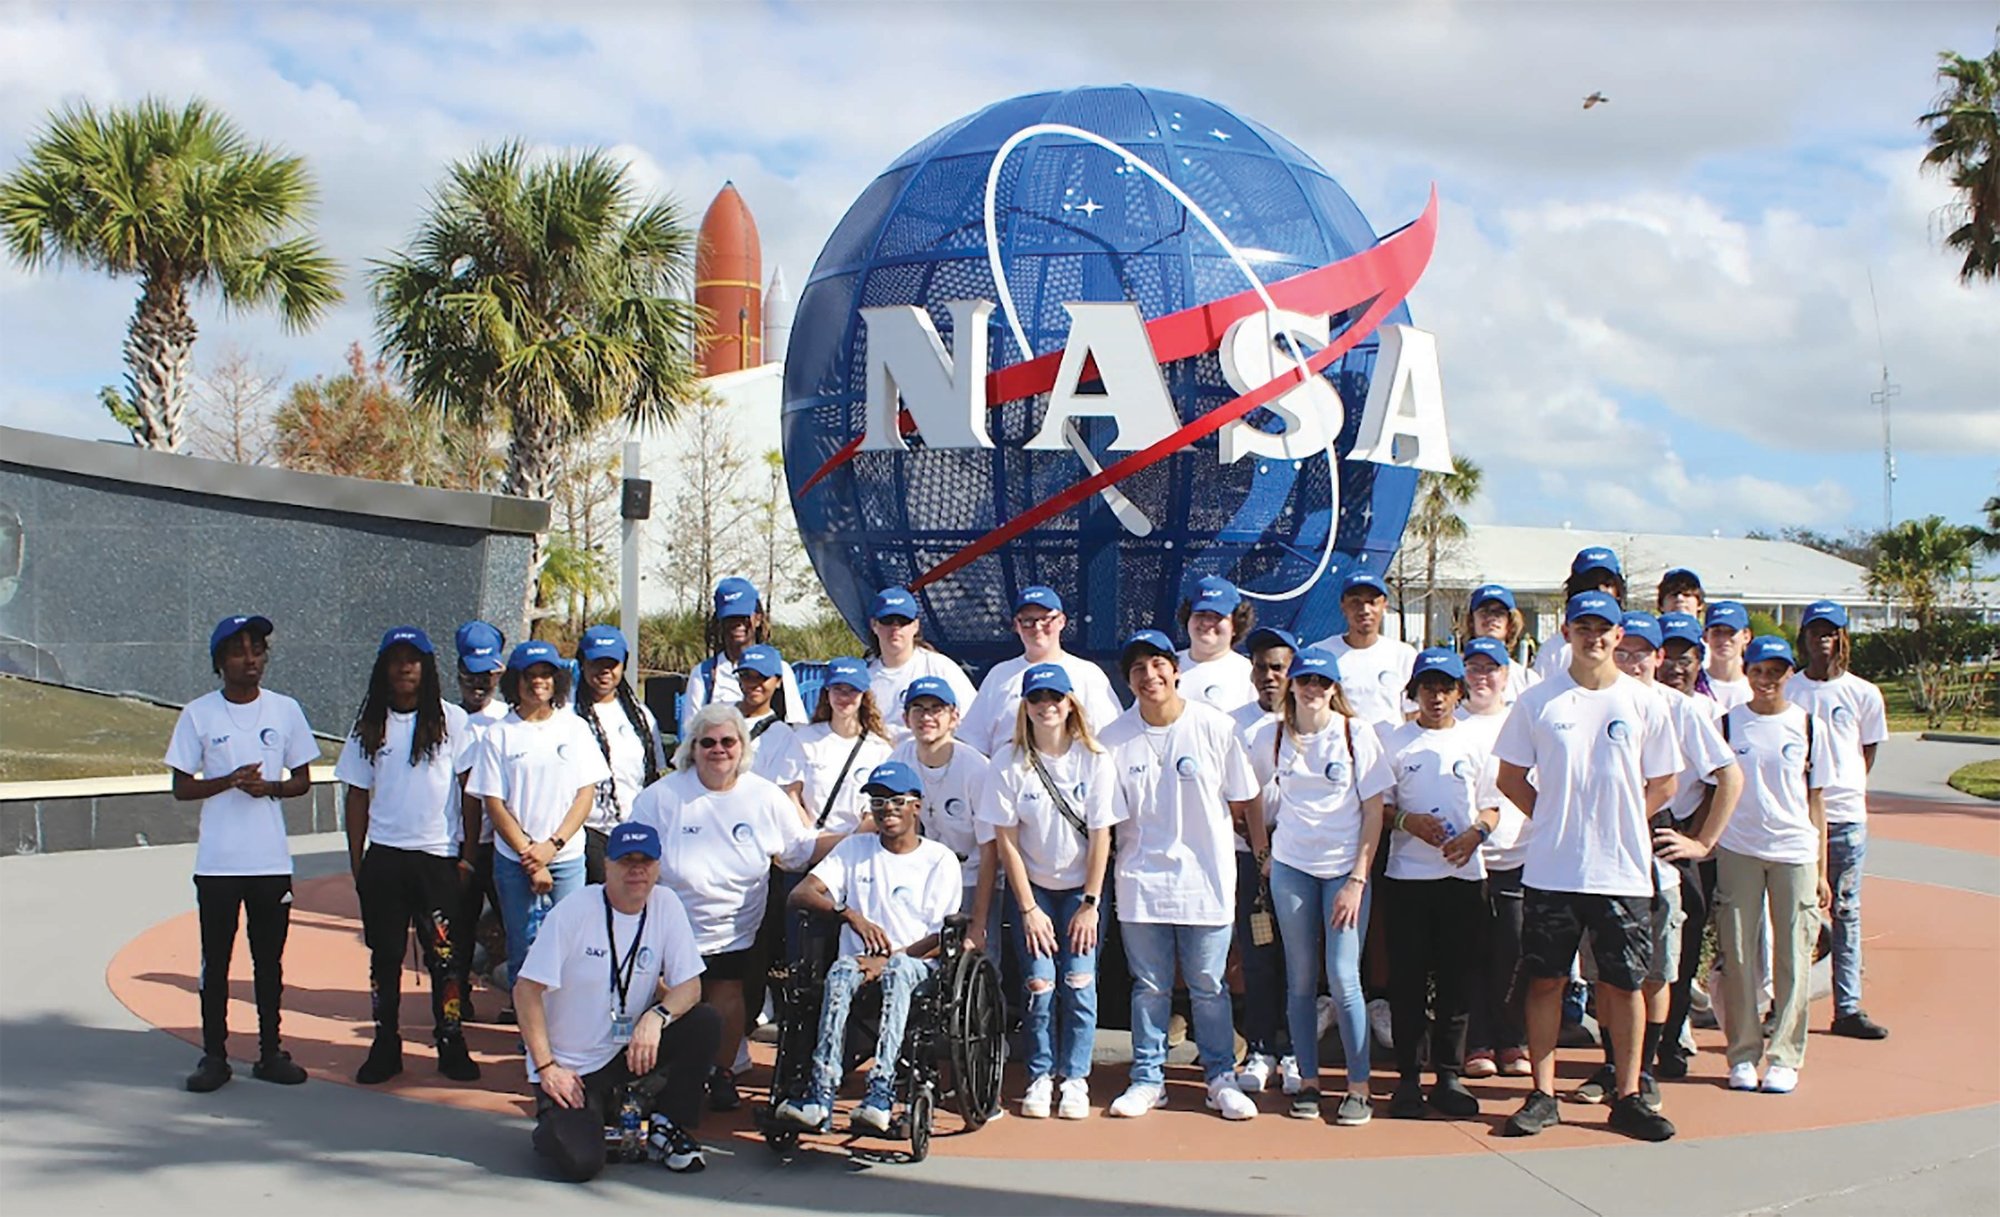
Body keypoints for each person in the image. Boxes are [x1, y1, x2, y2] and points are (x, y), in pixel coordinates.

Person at [1493, 591, 1680, 1142]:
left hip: (1622, 870)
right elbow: (1510, 778)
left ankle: (1628, 1095)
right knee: (1546, 981)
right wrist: (1552, 817)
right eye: (1583, 626)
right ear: (1567, 632)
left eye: (1604, 628)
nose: (1593, 637)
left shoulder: (1646, 702)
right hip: (1553, 870)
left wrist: (1622, 819)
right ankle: (1543, 1093)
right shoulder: (1539, 701)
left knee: (1623, 985)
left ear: (1619, 636)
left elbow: (1665, 780)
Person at [631, 703, 838, 1113]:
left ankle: (722, 1073)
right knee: (670, 1000)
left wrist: (859, 836)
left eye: (728, 741)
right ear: (692, 747)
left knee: (727, 997)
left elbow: (798, 851)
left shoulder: (763, 796)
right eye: (708, 742)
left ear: (742, 747)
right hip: (672, 925)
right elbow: (635, 858)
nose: (718, 750)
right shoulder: (662, 797)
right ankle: (667, 1071)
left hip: (736, 928)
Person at [1575, 611, 1739, 1111]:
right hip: (1601, 850)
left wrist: (1702, 842)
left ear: (1658, 656)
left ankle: (1643, 1068)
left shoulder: (1681, 709)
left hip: (1659, 841)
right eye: (1625, 652)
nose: (1632, 661)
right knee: (1607, 969)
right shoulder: (1597, 701)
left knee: (1656, 969)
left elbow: (1729, 776)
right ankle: (1611, 1065)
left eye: (1643, 653)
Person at [1101, 630, 1263, 1121]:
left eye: (1157, 665)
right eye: (1137, 670)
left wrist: (1260, 853)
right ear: (1128, 680)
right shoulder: (1112, 739)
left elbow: (1246, 795)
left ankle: (1219, 1077)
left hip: (1207, 880)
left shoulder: (1215, 727)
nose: (1149, 677)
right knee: (1148, 986)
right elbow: (1107, 822)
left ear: (1175, 669)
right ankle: (1149, 1078)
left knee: (1208, 984)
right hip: (1140, 884)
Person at [516, 821, 721, 1181]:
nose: (637, 870)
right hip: (571, 1069)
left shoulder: (666, 905)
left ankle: (666, 1126)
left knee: (704, 1022)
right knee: (581, 1164)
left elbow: (690, 986)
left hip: (623, 1052)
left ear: (658, 866)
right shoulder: (575, 911)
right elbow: (526, 990)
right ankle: (554, 1122)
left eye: (646, 861)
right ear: (607, 865)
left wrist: (656, 1017)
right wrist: (547, 1068)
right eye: (627, 861)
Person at [168, 614, 319, 1093]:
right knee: (217, 961)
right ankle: (214, 1056)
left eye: (258, 651)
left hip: (270, 862)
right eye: (239, 652)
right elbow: (181, 787)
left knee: (268, 963)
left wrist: (267, 787)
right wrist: (229, 781)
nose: (250, 660)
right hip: (217, 864)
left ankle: (271, 1052)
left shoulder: (285, 710)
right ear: (220, 662)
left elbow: (301, 781)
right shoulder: (199, 714)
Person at [774, 762, 964, 1133]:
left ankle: (880, 1092)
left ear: (916, 806)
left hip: (917, 964)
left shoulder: (939, 859)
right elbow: (801, 893)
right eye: (878, 802)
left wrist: (889, 959)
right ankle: (820, 1093)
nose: (886, 809)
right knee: (842, 969)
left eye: (896, 801)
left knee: (896, 972)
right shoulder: (854, 849)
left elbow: (943, 936)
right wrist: (850, 915)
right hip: (859, 963)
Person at [1245, 645, 1391, 1125]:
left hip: (1344, 871)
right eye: (1305, 681)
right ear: (1292, 685)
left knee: (1345, 976)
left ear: (1335, 690)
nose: (1312, 690)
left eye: (1322, 683)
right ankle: (1309, 1080)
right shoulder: (1272, 738)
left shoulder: (1355, 734)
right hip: (1292, 867)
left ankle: (1358, 1085)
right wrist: (1264, 853)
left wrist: (1357, 879)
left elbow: (1374, 813)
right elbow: (1248, 799)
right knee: (1300, 978)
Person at [337, 626, 482, 1085]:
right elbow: (356, 795)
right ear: (384, 667)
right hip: (385, 858)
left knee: (446, 956)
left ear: (427, 667)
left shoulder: (452, 720)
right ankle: (386, 1043)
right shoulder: (369, 725)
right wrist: (359, 862)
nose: (405, 667)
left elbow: (470, 792)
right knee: (385, 957)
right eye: (396, 659)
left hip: (438, 858)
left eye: (414, 659)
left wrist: (468, 856)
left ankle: (451, 1039)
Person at [980, 664, 1115, 1120]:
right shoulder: (1008, 762)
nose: (1046, 707)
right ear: (1025, 706)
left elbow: (1101, 837)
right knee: (1039, 984)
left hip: (1082, 893)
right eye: (1037, 699)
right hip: (1034, 891)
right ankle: (1040, 1075)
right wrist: (1029, 908)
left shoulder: (1094, 758)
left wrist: (1092, 904)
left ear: (1070, 702)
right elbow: (1007, 843)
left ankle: (1074, 1077)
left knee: (1079, 982)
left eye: (1055, 698)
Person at [1379, 648, 1498, 1120]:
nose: (1437, 696)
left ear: (1459, 693)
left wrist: (1476, 835)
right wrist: (1410, 822)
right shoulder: (1393, 741)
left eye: (1446, 688)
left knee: (1457, 980)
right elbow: (1378, 808)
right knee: (1407, 982)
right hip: (1408, 878)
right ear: (1414, 691)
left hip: (1464, 877)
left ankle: (1449, 1074)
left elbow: (1492, 805)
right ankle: (1408, 1079)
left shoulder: (1477, 739)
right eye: (1428, 687)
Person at [1714, 636, 1832, 1094]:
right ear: (1747, 672)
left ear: (1789, 674)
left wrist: (1821, 870)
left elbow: (1815, 801)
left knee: (1793, 955)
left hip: (1794, 851)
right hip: (1739, 848)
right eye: (1759, 671)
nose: (1766, 680)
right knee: (1740, 953)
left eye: (1776, 671)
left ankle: (1785, 1054)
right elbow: (1714, 790)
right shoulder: (1728, 724)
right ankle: (1742, 1052)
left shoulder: (1806, 726)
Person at [465, 641, 610, 996]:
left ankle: (567, 1030)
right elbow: (495, 803)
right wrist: (531, 855)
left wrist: (553, 846)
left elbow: (585, 794)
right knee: (525, 950)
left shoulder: (574, 728)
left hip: (567, 858)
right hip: (515, 861)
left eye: (546, 674)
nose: (538, 682)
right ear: (515, 681)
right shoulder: (499, 734)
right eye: (529, 676)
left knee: (572, 949)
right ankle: (531, 1038)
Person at [1785, 600, 1891, 1040]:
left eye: (1830, 633)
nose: (1822, 640)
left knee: (1846, 909)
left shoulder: (1864, 693)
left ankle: (1847, 1006)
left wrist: (1844, 787)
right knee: (1792, 911)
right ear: (1804, 638)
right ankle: (1784, 1005)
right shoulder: (1790, 690)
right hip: (1797, 817)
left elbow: (1867, 750)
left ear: (1842, 638)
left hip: (1845, 818)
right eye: (1814, 632)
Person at [1456, 636, 1533, 1079]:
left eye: (1491, 668)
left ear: (1506, 675)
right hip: (1465, 861)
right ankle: (1477, 1042)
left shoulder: (1521, 720)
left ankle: (1513, 1040)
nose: (1482, 676)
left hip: (1519, 856)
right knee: (1471, 954)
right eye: (1475, 667)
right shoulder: (1455, 722)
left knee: (1514, 952)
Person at [1229, 625, 1296, 1097]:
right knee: (1256, 957)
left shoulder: (1313, 721)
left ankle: (1293, 1050)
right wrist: (1259, 848)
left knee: (1298, 959)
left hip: (1301, 860)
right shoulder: (1232, 724)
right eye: (1261, 668)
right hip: (1249, 858)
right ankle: (1258, 1048)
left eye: (1278, 667)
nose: (1269, 676)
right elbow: (1232, 796)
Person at [889, 675, 999, 953]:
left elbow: (990, 850)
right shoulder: (898, 760)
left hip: (971, 880)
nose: (927, 717)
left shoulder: (977, 769)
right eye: (919, 709)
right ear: (906, 718)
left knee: (977, 962)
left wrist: (978, 922)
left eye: (937, 709)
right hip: (919, 881)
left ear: (955, 718)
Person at [957, 586, 1123, 755]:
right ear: (1017, 625)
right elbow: (973, 744)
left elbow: (1110, 740)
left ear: (1061, 621)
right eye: (1027, 621)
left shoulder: (1088, 674)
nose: (1037, 627)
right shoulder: (999, 676)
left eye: (1046, 619)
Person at [449, 620, 511, 1023]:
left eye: (487, 674)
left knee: (515, 926)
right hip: (455, 844)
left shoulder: (510, 719)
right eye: (472, 674)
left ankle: (518, 1000)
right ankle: (455, 1001)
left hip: (504, 843)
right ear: (458, 671)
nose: (479, 683)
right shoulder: (444, 719)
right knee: (456, 929)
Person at [575, 625, 667, 883]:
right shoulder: (567, 714)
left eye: (612, 663)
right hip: (588, 833)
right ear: (582, 664)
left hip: (634, 831)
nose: (604, 671)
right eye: (596, 663)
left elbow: (653, 775)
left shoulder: (641, 715)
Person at [768, 657, 893, 834]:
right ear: (827, 691)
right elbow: (791, 795)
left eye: (852, 690)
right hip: (810, 844)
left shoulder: (880, 750)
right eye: (837, 689)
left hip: (858, 847)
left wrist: (847, 845)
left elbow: (874, 813)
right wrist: (812, 838)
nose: (844, 697)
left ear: (864, 694)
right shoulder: (804, 739)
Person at [680, 577, 807, 738]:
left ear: (758, 619)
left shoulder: (780, 670)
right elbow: (691, 735)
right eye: (730, 618)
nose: (737, 624)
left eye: (743, 617)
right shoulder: (703, 675)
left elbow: (798, 729)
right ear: (719, 622)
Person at [1308, 571, 1416, 739]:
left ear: (1384, 605)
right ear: (1343, 606)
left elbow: (1413, 714)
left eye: (1372, 602)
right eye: (1355, 602)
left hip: (1388, 757)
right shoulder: (1321, 654)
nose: (1364, 610)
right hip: (1337, 753)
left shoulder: (1404, 655)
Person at [864, 586, 978, 743]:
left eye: (903, 621)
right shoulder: (865, 676)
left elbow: (973, 720)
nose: (895, 628)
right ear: (874, 625)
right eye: (887, 621)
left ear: (915, 625)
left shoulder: (940, 667)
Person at [1533, 547, 1628, 679]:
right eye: (1590, 584)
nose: (1599, 590)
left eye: (1607, 584)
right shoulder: (1555, 650)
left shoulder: (1637, 641)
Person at [1177, 575, 1256, 713]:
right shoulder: (1165, 667)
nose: (1207, 622)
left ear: (1235, 625)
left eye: (1217, 616)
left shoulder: (1248, 673)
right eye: (1200, 614)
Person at [732, 643, 798, 779]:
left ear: (778, 681)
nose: (753, 683)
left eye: (762, 677)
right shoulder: (718, 717)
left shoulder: (783, 735)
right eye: (746, 676)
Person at [1463, 583, 1537, 701]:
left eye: (1499, 613)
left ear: (1511, 622)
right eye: (1484, 612)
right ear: (1471, 620)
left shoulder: (1527, 679)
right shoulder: (1455, 673)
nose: (1492, 618)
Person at [1702, 601, 1754, 710]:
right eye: (1717, 632)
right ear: (1705, 636)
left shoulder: (1756, 687)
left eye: (1731, 632)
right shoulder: (1695, 683)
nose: (1723, 639)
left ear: (1746, 636)